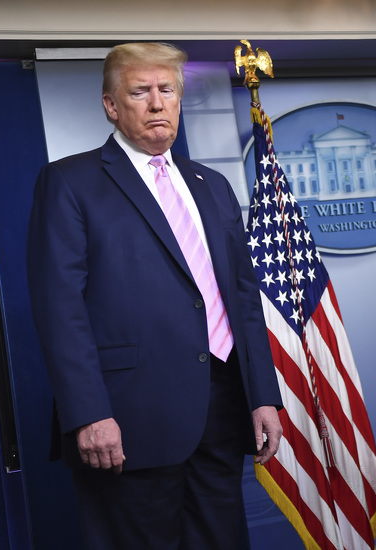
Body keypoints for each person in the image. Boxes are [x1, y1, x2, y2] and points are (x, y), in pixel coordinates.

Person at [26, 42, 283, 549]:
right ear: (111, 105)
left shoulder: (212, 184)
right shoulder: (69, 182)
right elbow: (60, 310)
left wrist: (263, 396)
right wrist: (88, 413)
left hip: (222, 409)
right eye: (139, 92)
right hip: (128, 417)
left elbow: (243, 298)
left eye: (167, 90)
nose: (156, 103)